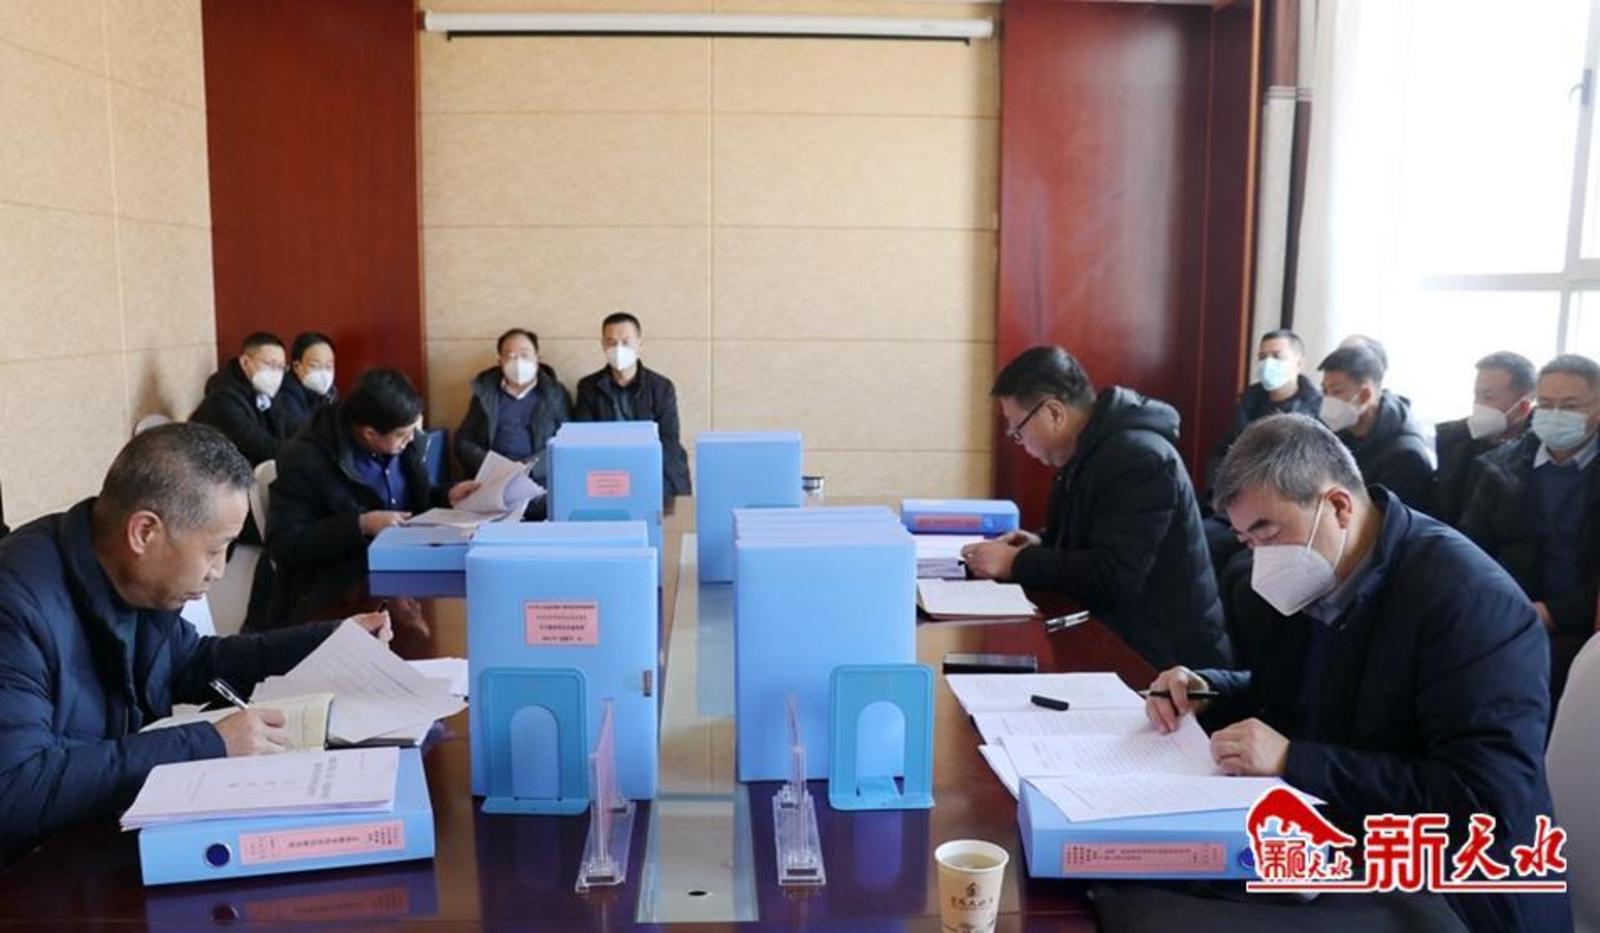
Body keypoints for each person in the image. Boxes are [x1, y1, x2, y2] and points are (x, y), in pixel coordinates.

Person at [1148, 414, 1566, 933]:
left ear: (1338, 506)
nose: (1260, 558)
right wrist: (1210, 690)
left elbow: (1482, 798)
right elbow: (1308, 695)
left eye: (1267, 532)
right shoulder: (1319, 572)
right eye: (1245, 541)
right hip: (1334, 839)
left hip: (1456, 886)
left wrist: (1294, 759)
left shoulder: (1469, 603)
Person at [0, 424, 392, 856]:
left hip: (106, 829)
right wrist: (209, 743)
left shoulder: (132, 574)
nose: (219, 571)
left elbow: (193, 663)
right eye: (214, 550)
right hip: (34, 868)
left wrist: (329, 640)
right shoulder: (15, 604)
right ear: (144, 533)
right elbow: (15, 787)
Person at [962, 346, 1231, 670]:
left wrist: (1015, 563)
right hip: (1122, 637)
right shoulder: (1090, 453)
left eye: (1018, 428)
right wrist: (1040, 543)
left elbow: (1113, 575)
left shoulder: (1138, 459)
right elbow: (1096, 537)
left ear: (1054, 413)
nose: (1020, 441)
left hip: (1167, 662)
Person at [266, 369, 478, 653]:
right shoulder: (305, 460)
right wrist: (361, 525)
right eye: (402, 434)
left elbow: (409, 504)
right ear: (369, 433)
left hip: (401, 575)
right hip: (338, 592)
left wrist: (447, 495)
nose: (411, 439)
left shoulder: (404, 445)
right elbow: (285, 544)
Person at [1460, 354, 1600, 701]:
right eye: (1547, 404)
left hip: (1587, 634)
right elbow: (1471, 553)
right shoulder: (1498, 469)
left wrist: (1554, 614)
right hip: (1507, 624)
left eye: (1570, 406)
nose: (1555, 415)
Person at [1202, 329, 1322, 574]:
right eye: (1262, 357)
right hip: (1231, 500)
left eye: (1277, 356)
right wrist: (1218, 492)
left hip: (1272, 510)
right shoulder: (1250, 400)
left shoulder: (1315, 411)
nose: (1268, 364)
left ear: (1299, 363)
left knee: (1208, 542)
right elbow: (1222, 452)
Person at [573, 312, 692, 498]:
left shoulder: (661, 387)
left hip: (651, 467)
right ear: (603, 345)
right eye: (611, 342)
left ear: (639, 345)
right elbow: (584, 439)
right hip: (607, 470)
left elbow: (668, 439)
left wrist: (639, 470)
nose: (618, 349)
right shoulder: (588, 387)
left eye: (626, 342)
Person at [1316, 344, 1435, 511]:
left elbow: (1387, 519)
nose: (1328, 400)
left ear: (1365, 395)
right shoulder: (1339, 429)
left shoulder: (1405, 455)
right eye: (1324, 391)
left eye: (1336, 392)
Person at [454, 328, 571, 492]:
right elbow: (463, 440)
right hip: (491, 480)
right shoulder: (485, 394)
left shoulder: (555, 394)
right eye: (510, 356)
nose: (518, 362)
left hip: (539, 482)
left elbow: (567, 442)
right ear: (500, 362)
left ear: (537, 359)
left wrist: (527, 468)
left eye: (525, 355)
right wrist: (492, 465)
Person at [1433, 351, 1535, 526]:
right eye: (1476, 396)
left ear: (1523, 407)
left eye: (1488, 397)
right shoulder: (1456, 443)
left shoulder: (1537, 457)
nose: (1478, 405)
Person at [189, 332, 289, 467]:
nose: (276, 373)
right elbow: (261, 446)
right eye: (270, 364)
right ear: (245, 362)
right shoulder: (222, 400)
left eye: (281, 367)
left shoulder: (263, 390)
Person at [276, 332, 339, 438]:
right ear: (297, 367)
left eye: (328, 366)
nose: (323, 374)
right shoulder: (286, 394)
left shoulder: (330, 392)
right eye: (315, 366)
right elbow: (301, 436)